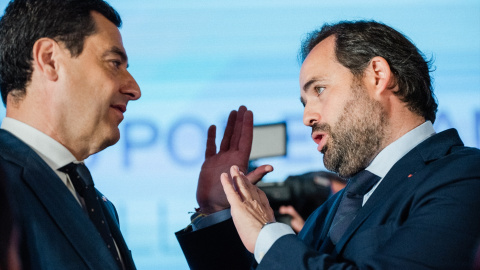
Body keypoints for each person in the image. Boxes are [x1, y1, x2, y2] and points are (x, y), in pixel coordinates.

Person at [176, 20, 480, 269]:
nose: (307, 117)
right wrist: (215, 211)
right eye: (304, 102)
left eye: (319, 89)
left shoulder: (465, 176)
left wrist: (268, 236)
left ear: (377, 76)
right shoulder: (332, 209)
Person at [0, 0, 141, 268]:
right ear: (49, 60)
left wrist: (212, 212)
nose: (134, 89)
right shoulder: (4, 183)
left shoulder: (98, 204)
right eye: (114, 63)